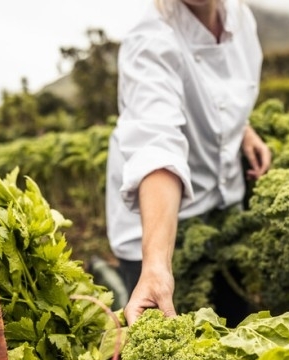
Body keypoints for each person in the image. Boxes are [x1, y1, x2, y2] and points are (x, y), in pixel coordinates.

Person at [106, 0, 272, 325]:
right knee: (170, 348)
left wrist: (243, 129)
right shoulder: (150, 40)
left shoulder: (239, 17)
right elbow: (157, 145)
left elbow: (221, 92)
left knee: (234, 318)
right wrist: (155, 266)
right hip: (156, 219)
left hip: (221, 204)